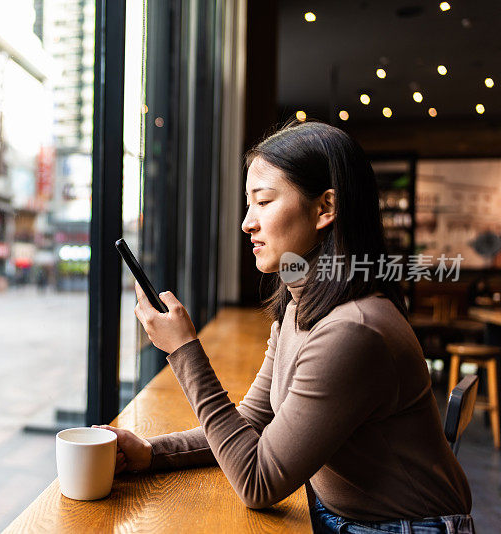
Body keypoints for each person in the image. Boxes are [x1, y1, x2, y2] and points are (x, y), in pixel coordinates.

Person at [96, 121, 474, 533]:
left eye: (263, 201)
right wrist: (151, 452)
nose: (247, 223)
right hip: (345, 516)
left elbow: (258, 482)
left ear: (325, 209)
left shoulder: (354, 329)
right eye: (248, 203)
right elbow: (254, 422)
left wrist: (184, 350)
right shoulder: (299, 307)